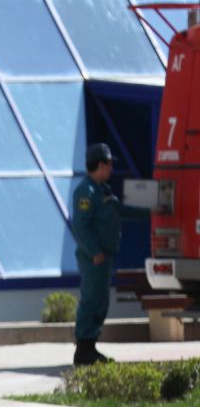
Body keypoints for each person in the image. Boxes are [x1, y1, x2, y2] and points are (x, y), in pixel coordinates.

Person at [70, 143, 121, 366]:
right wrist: (95, 251)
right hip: (94, 258)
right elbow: (80, 226)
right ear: (100, 165)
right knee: (92, 300)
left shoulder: (103, 190)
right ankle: (83, 351)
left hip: (103, 257)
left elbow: (119, 211)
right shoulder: (86, 191)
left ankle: (90, 347)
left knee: (101, 300)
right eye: (109, 164)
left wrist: (150, 212)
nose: (111, 168)